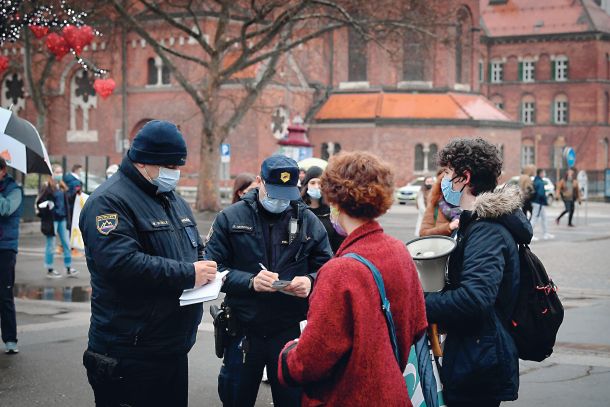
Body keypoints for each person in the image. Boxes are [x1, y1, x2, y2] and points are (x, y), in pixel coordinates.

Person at [80, 120, 218, 407]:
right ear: (144, 162)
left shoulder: (171, 199)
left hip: (171, 347)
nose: (176, 173)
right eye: (171, 166)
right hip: (129, 350)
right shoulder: (108, 201)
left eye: (179, 166)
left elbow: (194, 245)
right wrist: (189, 273)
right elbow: (120, 263)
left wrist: (205, 266)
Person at [277, 151, 428, 406]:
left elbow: (312, 358)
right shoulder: (399, 251)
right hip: (393, 390)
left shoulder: (338, 271)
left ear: (335, 199)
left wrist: (288, 355)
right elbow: (416, 324)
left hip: (346, 396)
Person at [204, 154, 333, 407]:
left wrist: (311, 280)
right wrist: (250, 281)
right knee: (236, 398)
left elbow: (329, 268)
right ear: (259, 181)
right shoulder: (230, 218)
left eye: (287, 195)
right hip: (243, 329)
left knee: (291, 400)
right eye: (274, 193)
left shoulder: (307, 220)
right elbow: (213, 269)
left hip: (287, 331)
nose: (280, 201)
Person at [425, 138, 533, 407]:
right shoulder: (477, 224)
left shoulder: (487, 230)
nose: (443, 181)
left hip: (479, 359)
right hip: (475, 352)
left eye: (448, 174)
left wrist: (418, 301)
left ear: (465, 177)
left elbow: (475, 298)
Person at [37, 164, 77, 279]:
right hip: (52, 219)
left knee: (66, 243)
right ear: (52, 174)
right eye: (57, 172)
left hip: (63, 218)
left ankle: (68, 267)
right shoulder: (47, 186)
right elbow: (40, 202)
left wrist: (74, 193)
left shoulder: (62, 186)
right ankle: (49, 269)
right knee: (51, 244)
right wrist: (48, 205)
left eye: (61, 172)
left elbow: (67, 200)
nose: (59, 174)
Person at [0, 158, 23, 354]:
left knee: (4, 295)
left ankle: (10, 339)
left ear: (3, 171)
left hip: (5, 248)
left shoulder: (14, 190)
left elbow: (5, 209)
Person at [300, 165, 345, 253]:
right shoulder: (300, 210)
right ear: (306, 185)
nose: (317, 187)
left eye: (320, 183)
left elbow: (338, 241)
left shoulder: (331, 212)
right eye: (312, 183)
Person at [420, 171, 461, 237]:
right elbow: (423, 233)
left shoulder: (470, 208)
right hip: (442, 246)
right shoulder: (434, 205)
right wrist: (448, 227)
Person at [530, 168, 554, 241]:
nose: (544, 174)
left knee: (544, 218)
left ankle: (546, 233)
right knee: (534, 218)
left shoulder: (536, 181)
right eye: (543, 173)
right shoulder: (540, 182)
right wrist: (545, 201)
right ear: (540, 173)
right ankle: (530, 235)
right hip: (539, 203)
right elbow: (541, 194)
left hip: (536, 202)